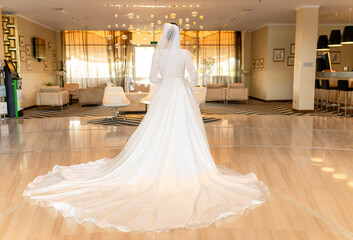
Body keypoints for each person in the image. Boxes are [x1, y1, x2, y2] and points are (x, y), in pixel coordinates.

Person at [23, 23, 269, 232]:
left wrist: (166, 80)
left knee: (158, 127)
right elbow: (194, 77)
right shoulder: (183, 54)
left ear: (164, 37)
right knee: (185, 128)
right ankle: (187, 164)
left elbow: (153, 79)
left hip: (165, 92)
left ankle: (159, 159)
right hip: (180, 92)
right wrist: (183, 82)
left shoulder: (158, 54)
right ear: (179, 37)